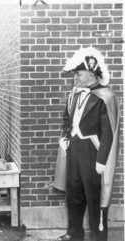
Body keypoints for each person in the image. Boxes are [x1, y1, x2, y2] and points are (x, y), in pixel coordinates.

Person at [56, 47, 120, 241]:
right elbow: (68, 117)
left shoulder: (106, 97)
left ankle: (98, 237)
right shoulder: (74, 93)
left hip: (93, 152)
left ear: (91, 74)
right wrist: (66, 136)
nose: (75, 77)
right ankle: (74, 234)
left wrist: (102, 160)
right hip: (74, 149)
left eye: (78, 73)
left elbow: (109, 132)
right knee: (73, 193)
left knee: (94, 197)